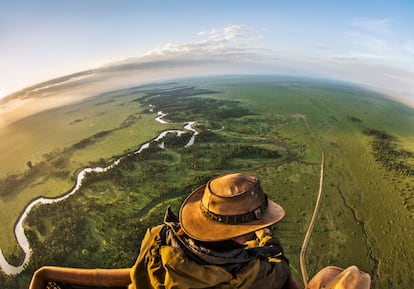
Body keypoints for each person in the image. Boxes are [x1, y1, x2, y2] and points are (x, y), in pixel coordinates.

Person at [130, 172, 302, 289]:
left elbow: (139, 277)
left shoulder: (158, 236)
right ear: (241, 234)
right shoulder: (248, 274)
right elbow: (281, 267)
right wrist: (266, 237)